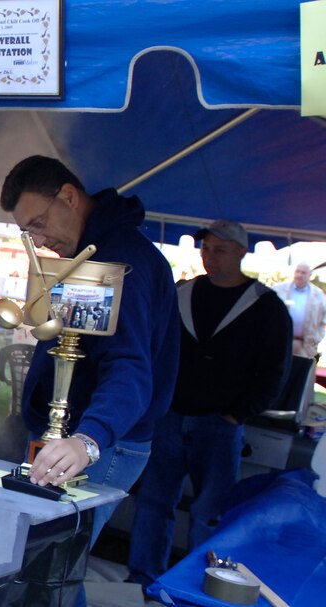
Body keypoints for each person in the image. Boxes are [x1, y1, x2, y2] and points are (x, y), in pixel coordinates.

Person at [0, 156, 181, 603]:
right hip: (65, 434)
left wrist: (88, 440)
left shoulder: (125, 263)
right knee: (49, 565)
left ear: (68, 196)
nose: (40, 239)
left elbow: (131, 370)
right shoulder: (90, 254)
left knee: (49, 567)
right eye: (29, 233)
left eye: (40, 223)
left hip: (104, 441)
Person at [127, 219, 292, 591]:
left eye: (219, 250)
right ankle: (144, 578)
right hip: (170, 416)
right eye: (206, 249)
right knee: (154, 502)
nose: (210, 257)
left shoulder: (264, 307)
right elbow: (154, 346)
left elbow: (274, 371)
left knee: (209, 513)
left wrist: (238, 414)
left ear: (240, 252)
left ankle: (202, 586)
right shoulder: (183, 293)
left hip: (220, 424)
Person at [273, 262, 326, 359]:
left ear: (310, 275)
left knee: (299, 372)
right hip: (278, 342)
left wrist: (316, 339)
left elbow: (323, 322)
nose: (299, 275)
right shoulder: (278, 290)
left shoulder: (319, 296)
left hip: (304, 346)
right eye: (297, 272)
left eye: (303, 273)